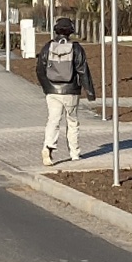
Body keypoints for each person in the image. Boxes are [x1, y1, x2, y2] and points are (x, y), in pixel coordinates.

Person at [35, 16, 96, 167]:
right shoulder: (76, 48)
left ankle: (48, 148)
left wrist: (46, 87)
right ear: (71, 31)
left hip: (52, 91)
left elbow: (39, 69)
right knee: (73, 121)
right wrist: (89, 91)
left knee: (53, 120)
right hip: (71, 91)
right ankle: (74, 153)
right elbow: (83, 71)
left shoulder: (48, 47)